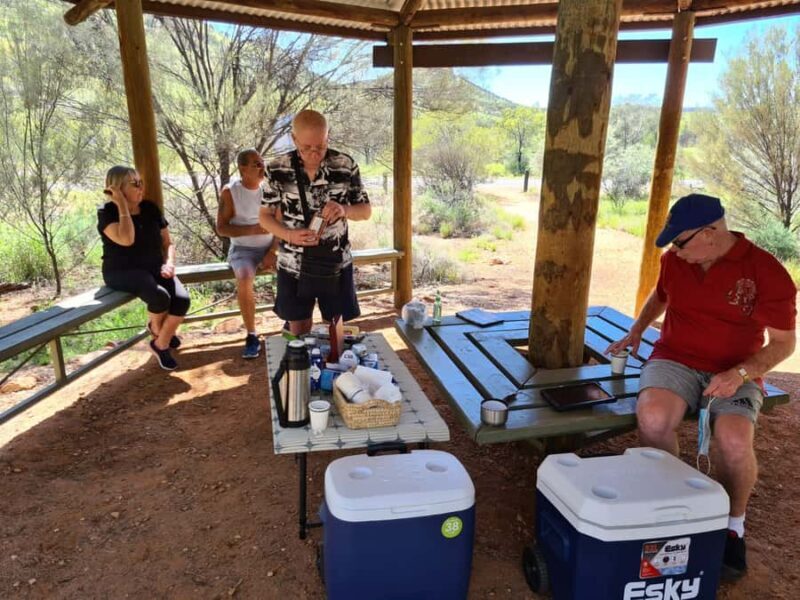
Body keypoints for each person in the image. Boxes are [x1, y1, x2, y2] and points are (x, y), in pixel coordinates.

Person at [606, 193, 796, 581]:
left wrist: (741, 374)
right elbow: (661, 295)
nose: (675, 250)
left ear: (710, 232)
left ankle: (732, 526)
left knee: (734, 441)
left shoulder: (766, 271)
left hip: (736, 369)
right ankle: (673, 506)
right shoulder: (676, 261)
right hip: (674, 357)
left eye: (680, 241)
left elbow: (784, 343)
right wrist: (637, 329)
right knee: (653, 419)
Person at [260, 109, 371, 336]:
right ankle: (299, 359)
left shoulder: (345, 165)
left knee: (337, 330)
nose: (314, 153)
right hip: (293, 264)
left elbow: (365, 211)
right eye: (306, 147)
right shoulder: (277, 168)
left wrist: (344, 210)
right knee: (298, 330)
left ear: (328, 136)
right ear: (294, 139)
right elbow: (264, 216)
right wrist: (288, 235)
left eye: (320, 146)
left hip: (336, 262)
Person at [98, 166, 191, 371]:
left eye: (141, 182)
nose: (141, 187)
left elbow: (167, 243)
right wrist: (122, 206)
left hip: (154, 266)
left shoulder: (150, 208)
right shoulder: (107, 213)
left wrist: (169, 263)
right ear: (117, 188)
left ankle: (159, 340)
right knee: (159, 296)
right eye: (135, 184)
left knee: (182, 300)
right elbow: (127, 239)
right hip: (122, 271)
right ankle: (161, 336)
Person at [216, 149, 277, 359]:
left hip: (270, 247)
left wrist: (272, 251)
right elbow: (221, 228)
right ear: (243, 169)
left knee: (293, 269)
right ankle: (251, 335)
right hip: (243, 250)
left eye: (262, 163)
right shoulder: (230, 192)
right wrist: (252, 230)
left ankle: (291, 324)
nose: (262, 168)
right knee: (244, 276)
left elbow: (281, 223)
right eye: (256, 164)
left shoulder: (270, 189)